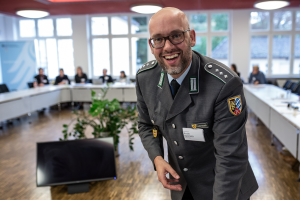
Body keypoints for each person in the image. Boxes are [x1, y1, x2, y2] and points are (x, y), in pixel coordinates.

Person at [135, 7, 258, 200]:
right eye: (158, 39)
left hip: (224, 187)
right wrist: (157, 158)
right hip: (181, 186)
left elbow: (230, 158)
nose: (167, 47)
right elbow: (146, 125)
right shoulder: (146, 78)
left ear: (191, 37)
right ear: (151, 45)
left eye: (176, 35)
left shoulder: (223, 85)